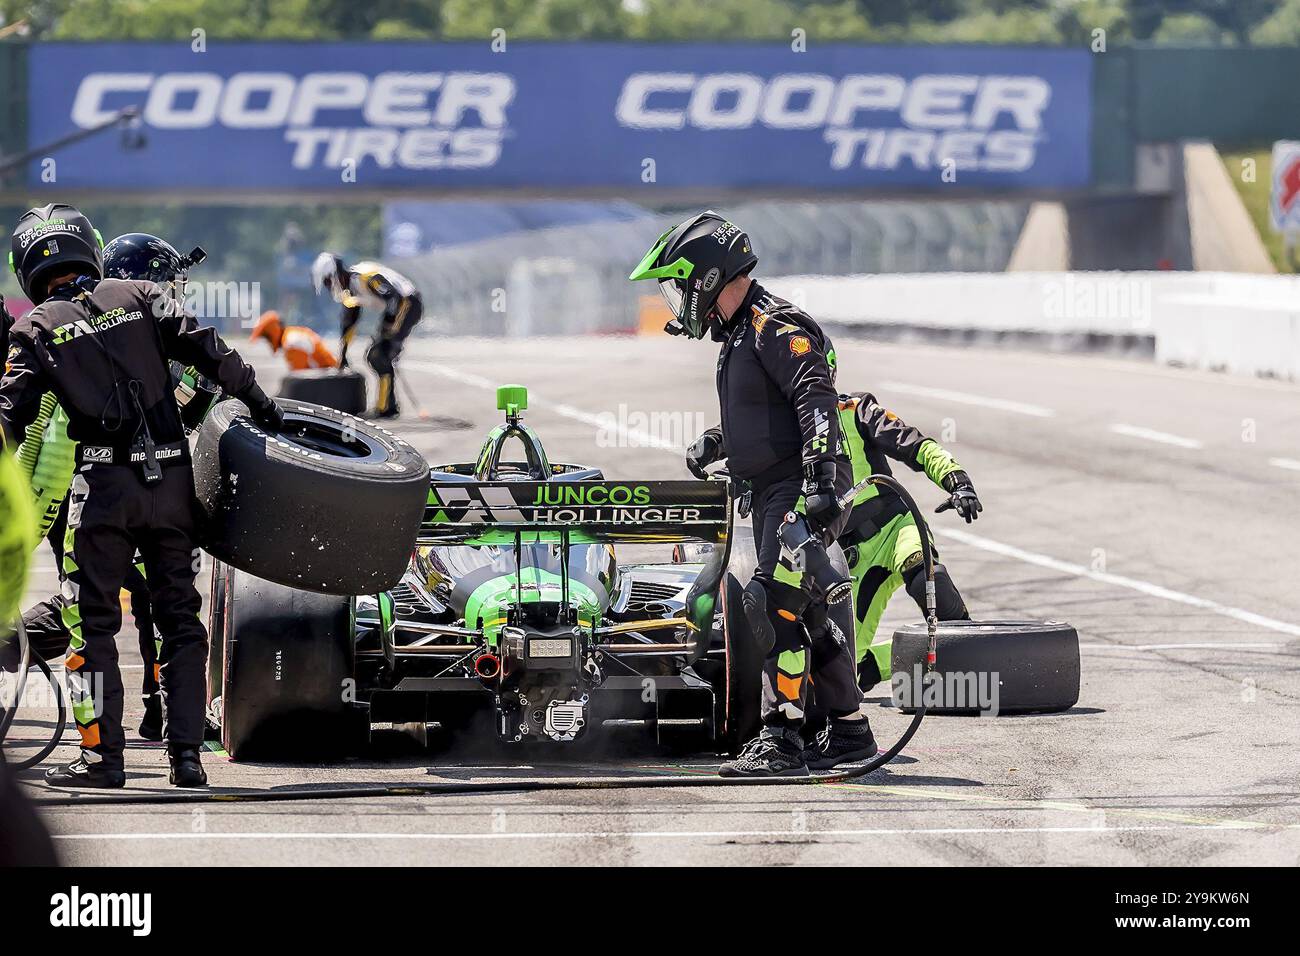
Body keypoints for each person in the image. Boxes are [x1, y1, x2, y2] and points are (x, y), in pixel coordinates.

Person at [0, 204, 283, 789]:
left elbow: (10, 416)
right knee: (181, 619)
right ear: (89, 245)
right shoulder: (141, 294)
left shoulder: (32, 329)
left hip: (102, 492)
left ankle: (103, 762)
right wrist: (265, 407)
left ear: (27, 268)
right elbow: (214, 355)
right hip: (172, 485)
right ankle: (187, 760)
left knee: (90, 625)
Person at [631, 211, 872, 777]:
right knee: (809, 614)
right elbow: (773, 415)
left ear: (707, 278)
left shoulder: (774, 326)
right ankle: (850, 731)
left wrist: (816, 485)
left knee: (773, 607)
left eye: (678, 287)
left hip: (796, 490)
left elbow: (815, 400)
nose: (678, 302)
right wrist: (722, 445)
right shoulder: (743, 332)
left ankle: (782, 740)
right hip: (774, 489)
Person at [16, 232, 222, 741]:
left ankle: (158, 717)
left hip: (115, 491)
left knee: (146, 601)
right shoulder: (103, 332)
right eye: (169, 284)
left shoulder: (128, 323)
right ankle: (10, 650)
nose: (177, 294)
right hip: (81, 494)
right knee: (89, 610)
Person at [835, 392, 982, 690]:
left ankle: (969, 644)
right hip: (850, 556)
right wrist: (712, 445)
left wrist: (957, 480)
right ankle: (907, 660)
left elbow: (915, 444)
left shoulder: (856, 410)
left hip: (896, 527)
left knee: (926, 580)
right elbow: (738, 439)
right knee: (847, 673)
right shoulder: (784, 424)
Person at [311, 252, 422, 418]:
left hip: (408, 304)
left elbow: (393, 297)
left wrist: (388, 329)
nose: (328, 287)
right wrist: (343, 355)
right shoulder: (350, 292)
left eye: (327, 282)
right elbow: (349, 323)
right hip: (396, 309)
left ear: (334, 275)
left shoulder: (365, 278)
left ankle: (386, 408)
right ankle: (386, 406)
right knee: (379, 355)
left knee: (379, 355)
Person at [249, 310, 339, 370]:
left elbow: (300, 379)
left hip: (330, 381)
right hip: (328, 377)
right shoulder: (291, 335)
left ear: (271, 333)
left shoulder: (291, 342)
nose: (268, 343)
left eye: (266, 338)